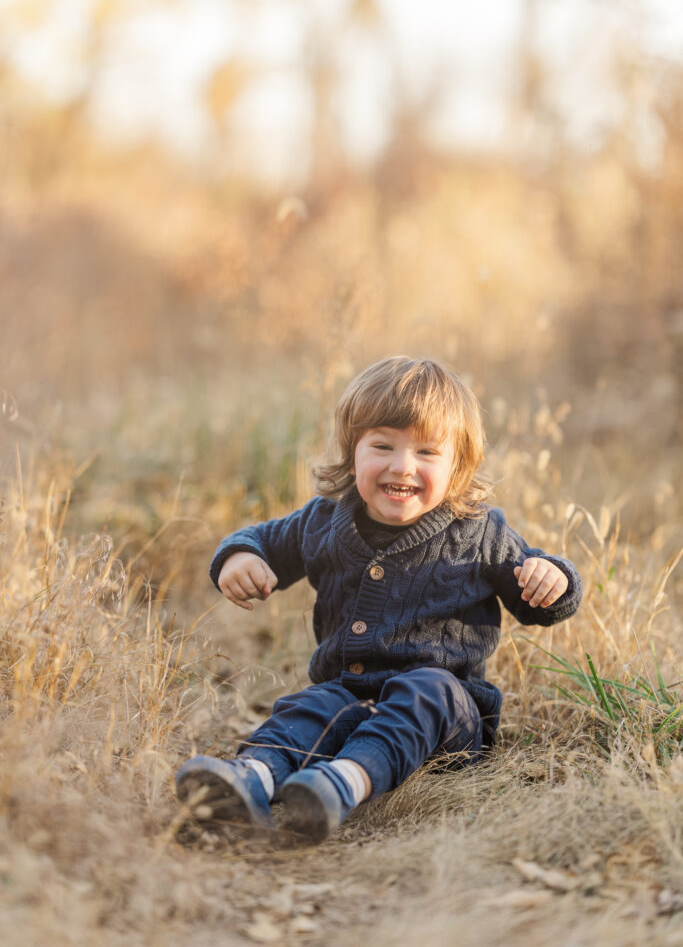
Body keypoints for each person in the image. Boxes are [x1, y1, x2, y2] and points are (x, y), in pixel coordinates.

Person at [176, 357, 581, 843]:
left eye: (427, 452)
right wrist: (240, 557)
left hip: (447, 721)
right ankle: (252, 777)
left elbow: (539, 600)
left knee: (426, 689)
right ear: (353, 455)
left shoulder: (479, 533)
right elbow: (264, 540)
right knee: (308, 708)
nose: (402, 465)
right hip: (349, 695)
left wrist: (552, 576)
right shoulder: (324, 521)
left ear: (458, 467)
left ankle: (340, 785)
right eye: (382, 445)